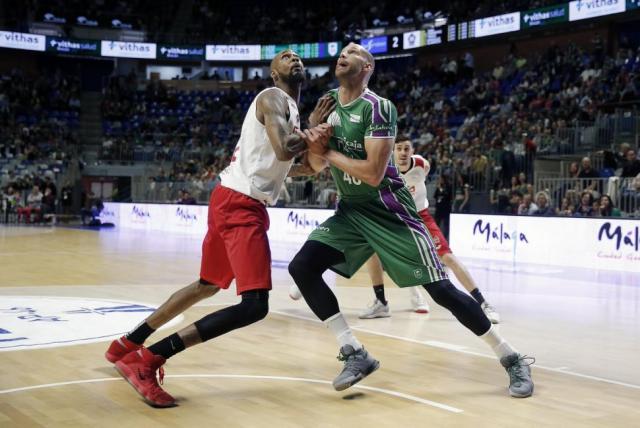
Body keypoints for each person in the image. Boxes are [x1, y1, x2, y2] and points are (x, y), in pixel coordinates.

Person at [288, 43, 534, 398]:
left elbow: (373, 174)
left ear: (367, 67)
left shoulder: (378, 107)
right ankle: (354, 352)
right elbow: (316, 166)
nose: (343, 54)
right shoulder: (327, 103)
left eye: (353, 52)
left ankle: (512, 358)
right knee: (302, 268)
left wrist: (325, 149)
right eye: (342, 50)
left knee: (440, 291)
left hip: (390, 212)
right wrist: (312, 134)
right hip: (352, 212)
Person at [105, 50, 333, 407]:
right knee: (254, 305)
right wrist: (310, 132)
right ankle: (147, 360)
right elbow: (287, 149)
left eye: (297, 55)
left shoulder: (290, 110)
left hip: (230, 198)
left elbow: (291, 165)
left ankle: (127, 343)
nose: (294, 58)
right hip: (241, 204)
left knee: (207, 285)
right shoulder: (272, 97)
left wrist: (320, 158)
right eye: (285, 56)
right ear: (273, 73)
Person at [357, 136, 500, 324]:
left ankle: (483, 303)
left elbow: (422, 173)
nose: (403, 152)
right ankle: (384, 301)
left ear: (412, 150)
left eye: (406, 148)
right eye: (398, 148)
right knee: (374, 251)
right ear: (392, 151)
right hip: (398, 220)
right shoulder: (384, 169)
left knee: (448, 257)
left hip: (421, 217)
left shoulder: (421, 164)